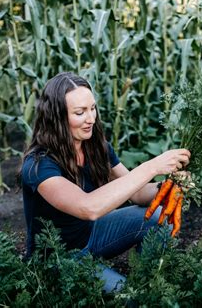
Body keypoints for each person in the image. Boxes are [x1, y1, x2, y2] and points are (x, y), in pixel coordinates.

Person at [18, 72, 190, 293]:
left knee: (158, 218)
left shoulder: (95, 147)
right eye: (80, 113)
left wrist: (169, 184)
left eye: (92, 108)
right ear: (57, 118)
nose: (91, 118)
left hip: (92, 236)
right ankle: (130, 293)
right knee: (125, 296)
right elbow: (88, 208)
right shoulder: (39, 164)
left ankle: (146, 283)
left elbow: (137, 195)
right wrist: (152, 166)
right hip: (58, 257)